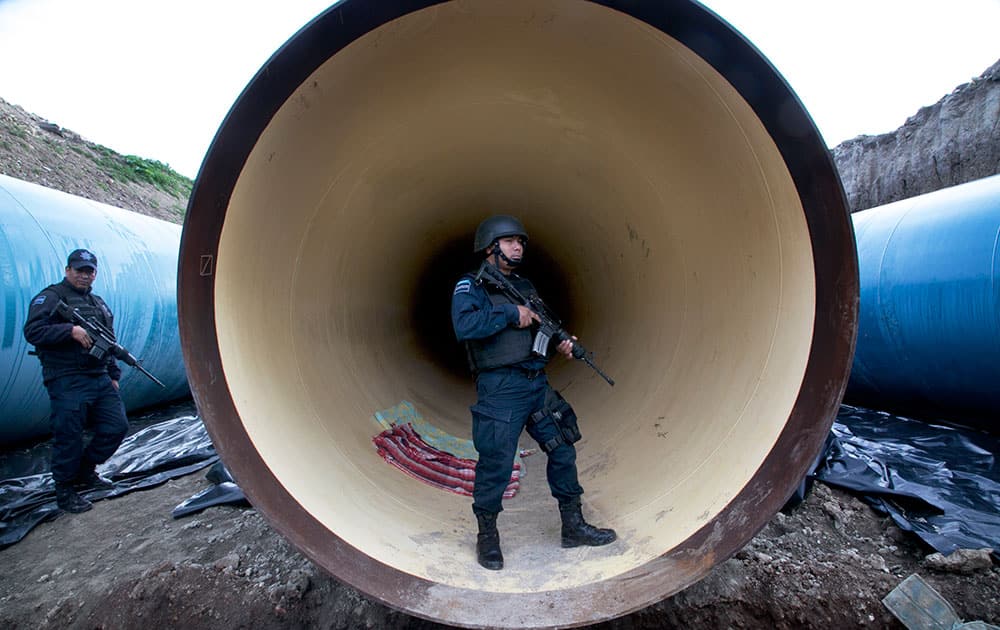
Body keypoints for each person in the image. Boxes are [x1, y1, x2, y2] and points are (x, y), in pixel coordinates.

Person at [451, 215, 616, 571]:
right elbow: (465, 326)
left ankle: (573, 526)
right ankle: (487, 536)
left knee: (562, 445)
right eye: (510, 241)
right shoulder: (471, 286)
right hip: (500, 388)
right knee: (496, 462)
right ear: (491, 247)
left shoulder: (524, 286)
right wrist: (510, 313)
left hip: (534, 382)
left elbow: (544, 324)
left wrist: (564, 343)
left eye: (521, 241)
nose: (518, 247)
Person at [23, 248, 129, 514]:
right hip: (66, 377)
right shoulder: (50, 298)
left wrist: (113, 375)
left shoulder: (99, 304)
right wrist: (69, 330)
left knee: (116, 426)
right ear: (68, 270)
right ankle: (65, 490)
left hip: (98, 376)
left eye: (89, 271)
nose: (84, 275)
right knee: (68, 435)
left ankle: (85, 470)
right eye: (79, 270)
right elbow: (33, 331)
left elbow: (108, 342)